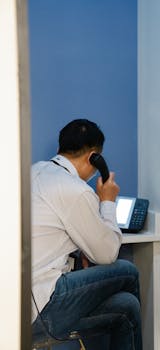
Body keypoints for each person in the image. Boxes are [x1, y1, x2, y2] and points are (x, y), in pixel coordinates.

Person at [31, 119, 143, 350]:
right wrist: (107, 202)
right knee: (128, 270)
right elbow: (107, 254)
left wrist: (79, 248)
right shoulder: (77, 190)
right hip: (40, 307)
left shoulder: (34, 171)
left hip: (16, 306)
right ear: (94, 157)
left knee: (126, 306)